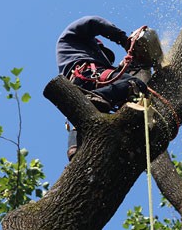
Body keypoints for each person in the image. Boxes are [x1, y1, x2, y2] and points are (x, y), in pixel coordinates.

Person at [56, 16, 149, 160]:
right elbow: (93, 22)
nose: (105, 56)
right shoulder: (71, 38)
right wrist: (123, 39)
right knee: (135, 85)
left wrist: (129, 65)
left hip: (89, 85)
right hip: (87, 76)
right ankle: (97, 98)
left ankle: (78, 149)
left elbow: (117, 79)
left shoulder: (91, 58)